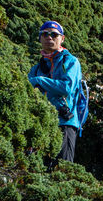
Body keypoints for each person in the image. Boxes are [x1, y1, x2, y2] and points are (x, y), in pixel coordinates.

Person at [28, 20, 84, 164]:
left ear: (62, 38)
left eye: (54, 34)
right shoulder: (36, 67)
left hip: (65, 122)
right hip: (40, 124)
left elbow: (66, 88)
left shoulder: (70, 62)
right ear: (40, 38)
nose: (49, 37)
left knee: (62, 170)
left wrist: (40, 81)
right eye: (45, 34)